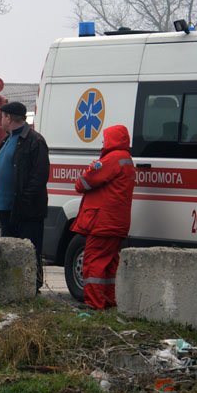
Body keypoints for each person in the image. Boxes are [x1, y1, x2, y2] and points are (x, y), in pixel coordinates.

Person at [72, 124, 135, 309]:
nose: (102, 142)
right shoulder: (126, 159)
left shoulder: (112, 159)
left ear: (112, 140)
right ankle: (109, 300)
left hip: (102, 223)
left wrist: (90, 169)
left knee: (93, 263)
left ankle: (94, 304)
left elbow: (83, 183)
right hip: (116, 222)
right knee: (109, 264)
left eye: (105, 138)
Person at [0, 101, 50, 291]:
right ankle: (12, 289)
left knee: (29, 251)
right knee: (9, 252)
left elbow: (39, 176)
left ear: (9, 118)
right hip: (7, 210)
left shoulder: (34, 141)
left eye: (2, 116)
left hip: (26, 211)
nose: (1, 120)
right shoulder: (6, 140)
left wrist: (23, 201)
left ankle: (32, 287)